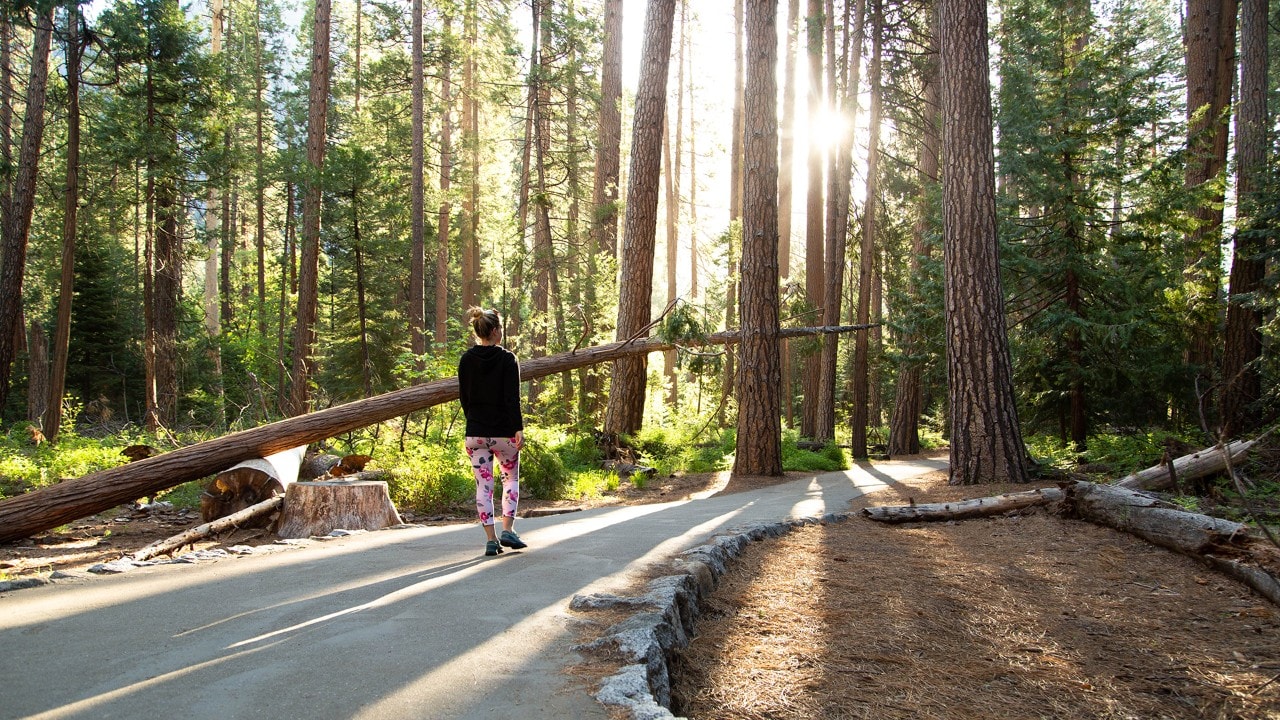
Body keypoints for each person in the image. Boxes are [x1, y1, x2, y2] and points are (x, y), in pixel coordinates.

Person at [458, 307, 528, 556]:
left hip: (476, 433)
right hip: (504, 434)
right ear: (496, 331)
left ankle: (491, 539)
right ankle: (508, 529)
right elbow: (512, 398)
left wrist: (475, 422)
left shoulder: (466, 360)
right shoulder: (508, 359)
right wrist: (517, 428)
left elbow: (464, 398)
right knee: (510, 480)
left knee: (483, 486)